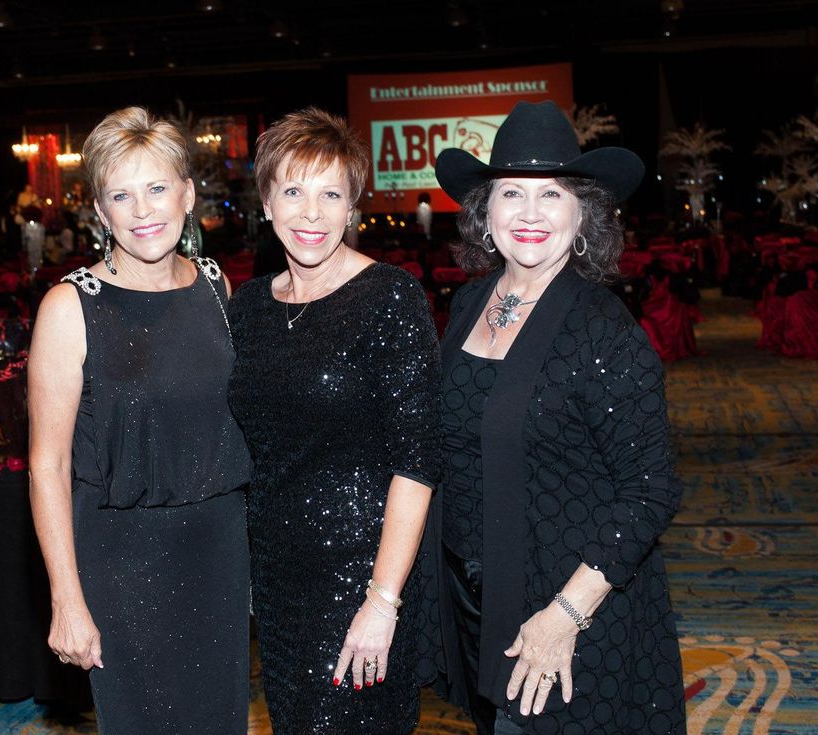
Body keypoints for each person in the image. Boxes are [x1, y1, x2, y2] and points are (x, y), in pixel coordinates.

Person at [427, 100, 686, 734]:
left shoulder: (602, 329)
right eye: (511, 193)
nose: (531, 214)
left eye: (552, 195)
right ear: (485, 214)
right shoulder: (469, 303)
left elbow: (651, 492)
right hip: (480, 597)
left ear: (584, 216)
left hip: (571, 607)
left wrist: (564, 615)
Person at [28, 107, 252, 734]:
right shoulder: (69, 307)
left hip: (217, 553)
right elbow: (46, 467)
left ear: (187, 195)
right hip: (120, 562)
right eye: (121, 195)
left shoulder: (216, 287)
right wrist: (66, 598)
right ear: (99, 211)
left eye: (157, 188)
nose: (143, 209)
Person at [227, 107, 441, 734]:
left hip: (363, 577)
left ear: (354, 207)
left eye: (331, 194)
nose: (311, 214)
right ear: (267, 203)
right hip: (276, 577)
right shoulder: (249, 309)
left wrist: (382, 602)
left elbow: (418, 461)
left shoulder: (390, 297)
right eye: (292, 191)